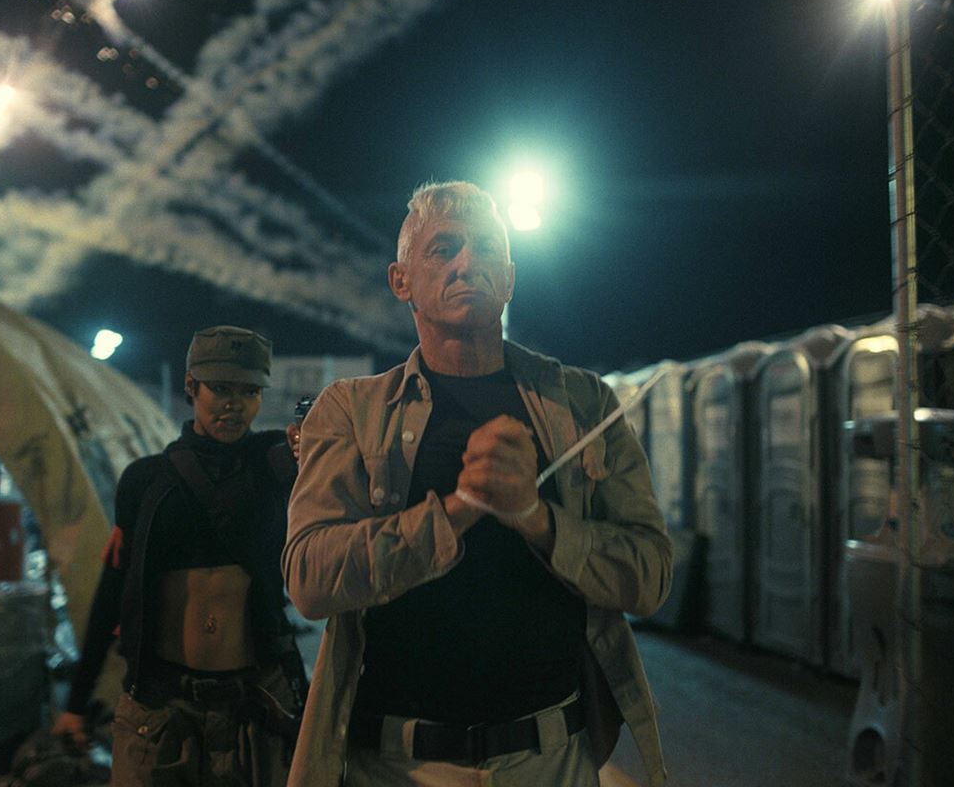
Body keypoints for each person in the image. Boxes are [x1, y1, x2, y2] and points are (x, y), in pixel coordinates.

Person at [282, 181, 673, 787]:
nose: (467, 263)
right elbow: (309, 579)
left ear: (509, 279)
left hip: (551, 760)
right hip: (397, 766)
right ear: (401, 281)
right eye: (443, 249)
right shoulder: (351, 411)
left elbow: (650, 578)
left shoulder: (583, 403)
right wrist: (460, 509)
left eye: (486, 248)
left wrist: (535, 517)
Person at [53, 325, 306, 787]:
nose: (234, 404)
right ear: (191, 387)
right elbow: (113, 590)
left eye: (249, 391)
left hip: (255, 700)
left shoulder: (271, 465)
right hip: (163, 705)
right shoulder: (145, 481)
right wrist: (76, 702)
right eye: (220, 389)